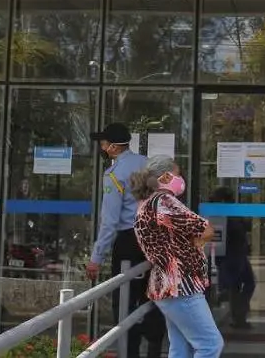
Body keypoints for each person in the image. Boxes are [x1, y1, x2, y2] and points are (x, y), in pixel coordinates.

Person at [131, 156, 224, 358]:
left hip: (169, 286)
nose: (181, 179)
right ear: (165, 176)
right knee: (210, 344)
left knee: (181, 348)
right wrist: (197, 241)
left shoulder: (146, 203)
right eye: (177, 174)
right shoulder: (164, 201)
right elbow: (206, 229)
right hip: (181, 285)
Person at [86, 123, 165, 358]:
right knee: (153, 295)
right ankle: (154, 349)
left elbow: (110, 222)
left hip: (129, 242)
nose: (102, 147)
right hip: (154, 238)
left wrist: (96, 258)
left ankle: (130, 353)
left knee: (124, 302)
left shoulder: (114, 174)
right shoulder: (148, 164)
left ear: (113, 147)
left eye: (103, 143)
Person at [209, 186, 255, 329]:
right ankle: (237, 316)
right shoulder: (222, 215)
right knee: (241, 285)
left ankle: (238, 316)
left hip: (235, 254)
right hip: (232, 255)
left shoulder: (225, 213)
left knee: (239, 286)